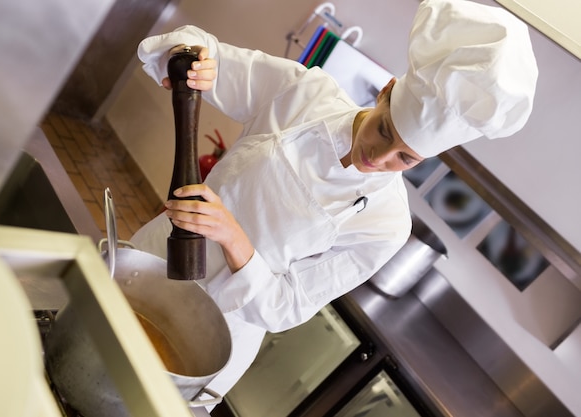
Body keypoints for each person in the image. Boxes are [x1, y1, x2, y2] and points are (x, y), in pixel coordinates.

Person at [131, 0, 538, 403]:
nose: (378, 158)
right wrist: (191, 59)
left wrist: (233, 236)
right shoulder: (305, 95)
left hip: (213, 340)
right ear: (386, 92)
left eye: (405, 158)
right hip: (149, 268)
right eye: (384, 130)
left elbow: (287, 306)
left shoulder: (387, 224)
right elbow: (202, 51)